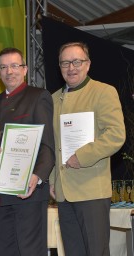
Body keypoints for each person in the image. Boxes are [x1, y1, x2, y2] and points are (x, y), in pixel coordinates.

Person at [49, 42, 126, 256]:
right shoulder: (54, 99)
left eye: (77, 61)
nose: (71, 67)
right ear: (59, 66)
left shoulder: (103, 92)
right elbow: (55, 145)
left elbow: (116, 135)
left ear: (88, 64)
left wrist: (81, 157)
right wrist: (54, 178)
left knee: (95, 252)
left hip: (91, 189)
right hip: (64, 192)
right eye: (65, 63)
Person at [0, 47, 55, 255]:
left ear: (25, 69)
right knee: (6, 251)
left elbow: (47, 144)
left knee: (31, 251)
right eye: (4, 67)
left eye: (15, 66)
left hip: (29, 191)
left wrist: (37, 176)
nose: (10, 72)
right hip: (0, 193)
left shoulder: (38, 96)